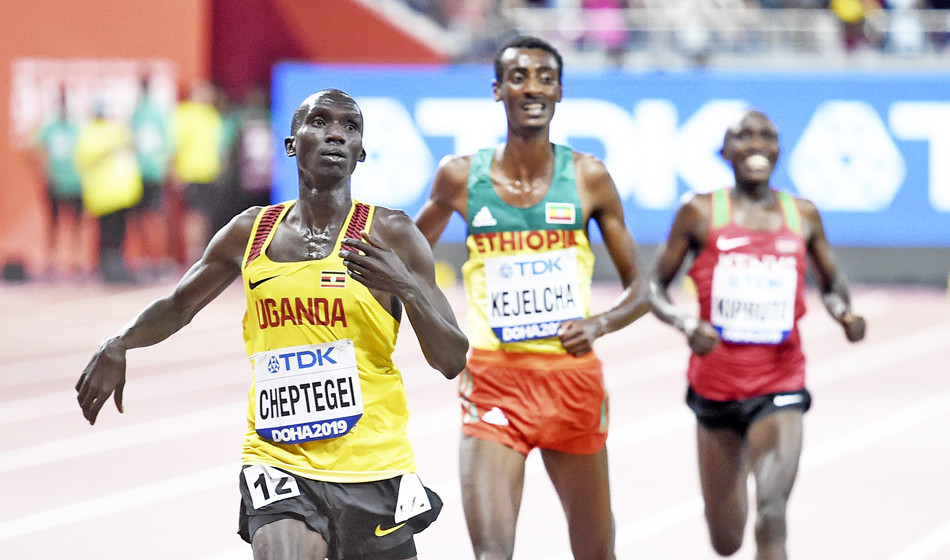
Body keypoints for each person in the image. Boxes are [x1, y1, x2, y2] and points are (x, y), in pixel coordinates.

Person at [76, 89, 469, 560]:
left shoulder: (391, 234)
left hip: (373, 464)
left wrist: (405, 287)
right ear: (290, 144)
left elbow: (452, 359)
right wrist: (120, 342)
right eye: (319, 122)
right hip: (279, 459)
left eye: (350, 127)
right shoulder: (251, 231)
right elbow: (180, 304)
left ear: (361, 152)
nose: (336, 135)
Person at [415, 35, 649, 560]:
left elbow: (642, 289)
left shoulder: (589, 177)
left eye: (546, 77)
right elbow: (408, 255)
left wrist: (599, 324)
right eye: (518, 77)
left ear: (560, 91)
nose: (533, 88)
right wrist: (435, 318)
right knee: (491, 554)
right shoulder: (459, 176)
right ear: (497, 90)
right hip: (495, 383)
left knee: (596, 554)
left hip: (571, 383)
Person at [647, 109, 867, 560]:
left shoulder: (801, 214)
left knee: (772, 510)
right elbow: (653, 287)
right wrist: (686, 324)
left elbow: (830, 281)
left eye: (767, 136)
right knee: (726, 540)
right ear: (724, 151)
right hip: (716, 386)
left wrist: (844, 312)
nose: (757, 145)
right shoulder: (699, 211)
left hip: (780, 383)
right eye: (744, 136)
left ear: (779, 149)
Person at [74, 98, 144, 284]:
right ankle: (108, 268)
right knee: (108, 233)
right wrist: (112, 146)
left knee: (120, 232)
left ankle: (118, 266)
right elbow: (86, 157)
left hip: (122, 193)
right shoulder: (89, 133)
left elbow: (131, 144)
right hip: (103, 195)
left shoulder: (115, 129)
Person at [33, 83, 86, 279]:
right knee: (53, 224)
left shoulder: (77, 127)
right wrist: (45, 170)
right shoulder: (50, 127)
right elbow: (36, 148)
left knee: (77, 224)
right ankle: (51, 261)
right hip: (56, 182)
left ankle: (77, 261)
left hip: (75, 182)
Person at [130, 74, 174, 279]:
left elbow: (167, 143)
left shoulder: (151, 112)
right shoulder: (139, 113)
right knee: (144, 219)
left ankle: (158, 260)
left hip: (151, 172)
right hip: (144, 172)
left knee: (153, 218)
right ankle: (149, 261)